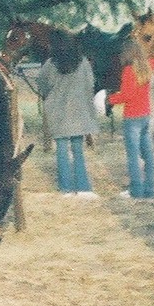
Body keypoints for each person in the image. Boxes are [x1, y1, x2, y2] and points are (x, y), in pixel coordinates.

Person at [37, 29, 100, 196]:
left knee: (62, 151)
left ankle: (65, 188)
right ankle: (84, 188)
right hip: (78, 113)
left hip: (58, 113)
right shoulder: (83, 62)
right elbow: (91, 83)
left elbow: (42, 85)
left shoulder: (50, 65)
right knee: (78, 151)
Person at [108, 57, 154, 199]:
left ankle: (136, 190)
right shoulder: (148, 67)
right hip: (146, 113)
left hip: (133, 116)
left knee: (133, 155)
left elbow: (127, 94)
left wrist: (110, 99)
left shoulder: (129, 70)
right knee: (148, 154)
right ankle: (150, 189)